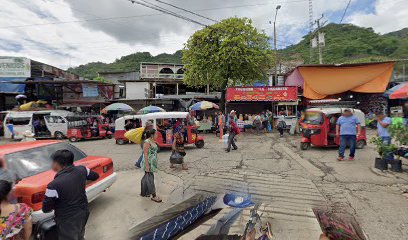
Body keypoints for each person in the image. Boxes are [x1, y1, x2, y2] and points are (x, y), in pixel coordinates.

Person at [42, 149, 100, 240]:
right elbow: (95, 176)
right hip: (83, 212)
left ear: (57, 164)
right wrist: (81, 184)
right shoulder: (82, 169)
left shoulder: (53, 185)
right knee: (79, 234)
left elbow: (46, 209)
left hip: (67, 220)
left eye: (52, 162)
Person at [140, 129, 162, 203]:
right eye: (156, 134)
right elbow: (145, 154)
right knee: (150, 179)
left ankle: (145, 192)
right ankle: (154, 196)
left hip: (152, 163)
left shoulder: (152, 141)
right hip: (148, 163)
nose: (157, 135)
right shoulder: (147, 142)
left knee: (148, 178)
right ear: (152, 135)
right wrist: (147, 166)